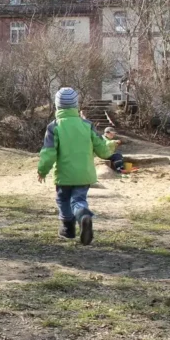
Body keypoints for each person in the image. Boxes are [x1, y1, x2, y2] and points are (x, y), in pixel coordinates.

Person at [37, 88, 113, 245]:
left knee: (63, 199)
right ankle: (83, 215)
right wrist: (111, 145)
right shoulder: (87, 125)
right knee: (78, 199)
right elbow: (102, 150)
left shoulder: (54, 127)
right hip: (84, 174)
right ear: (75, 105)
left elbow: (49, 153)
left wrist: (42, 170)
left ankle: (68, 229)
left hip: (64, 175)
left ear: (57, 105)